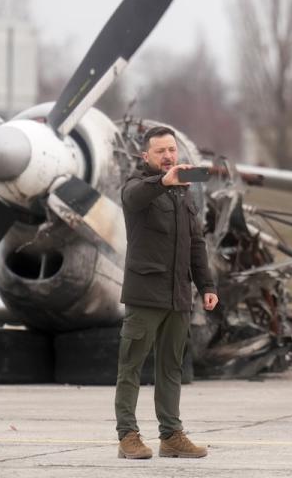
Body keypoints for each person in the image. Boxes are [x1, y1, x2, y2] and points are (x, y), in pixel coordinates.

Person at [115, 125, 218, 460]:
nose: (168, 156)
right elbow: (133, 197)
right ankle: (128, 436)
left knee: (171, 368)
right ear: (146, 156)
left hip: (177, 295)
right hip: (145, 293)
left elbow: (196, 244)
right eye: (160, 151)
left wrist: (206, 285)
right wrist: (163, 182)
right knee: (131, 365)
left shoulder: (184, 194)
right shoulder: (138, 187)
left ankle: (171, 435)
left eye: (171, 150)